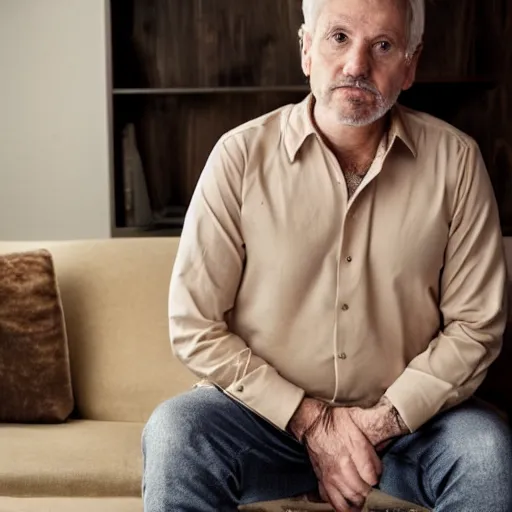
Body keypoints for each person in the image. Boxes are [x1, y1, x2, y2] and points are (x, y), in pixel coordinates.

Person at [142, 0, 512, 510]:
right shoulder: (239, 157)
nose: (357, 65)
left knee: (486, 448)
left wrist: (380, 422)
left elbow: (476, 327)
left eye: (383, 45)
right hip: (262, 424)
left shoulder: (457, 163)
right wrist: (312, 421)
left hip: (411, 430)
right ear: (306, 50)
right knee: (174, 433)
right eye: (338, 37)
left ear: (411, 65)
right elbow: (194, 324)